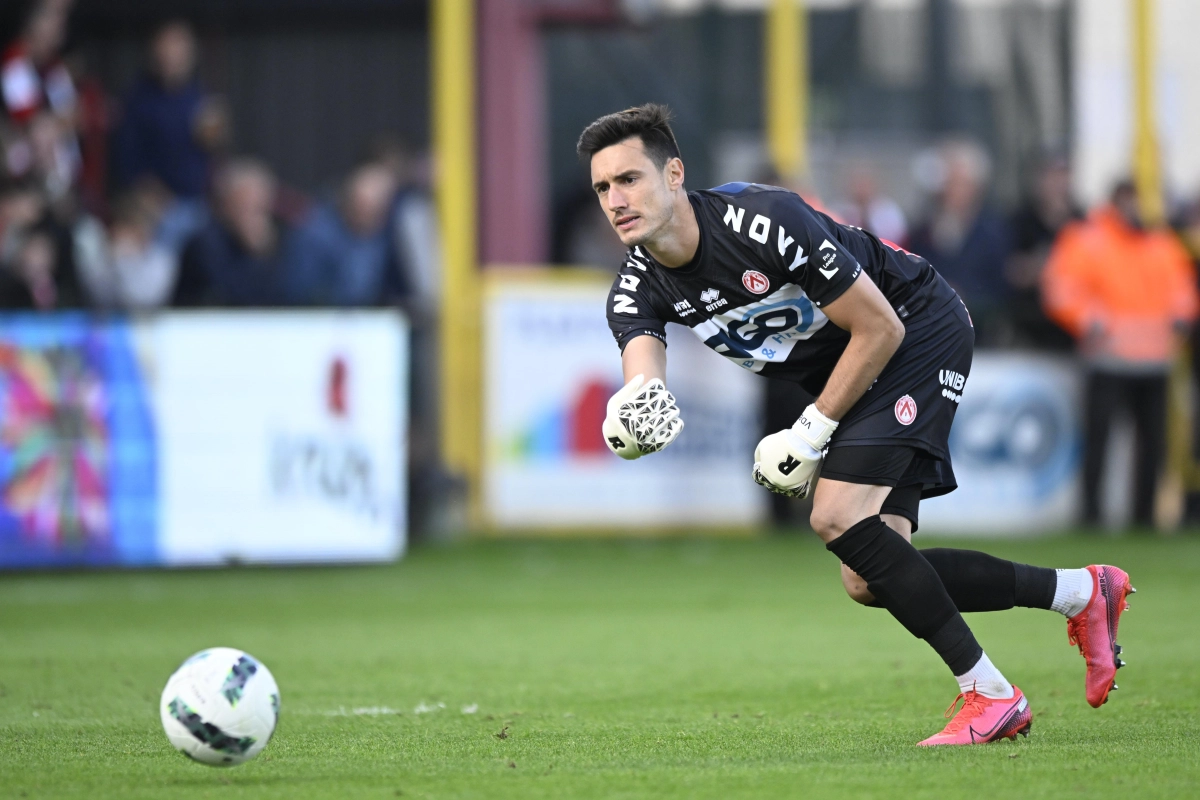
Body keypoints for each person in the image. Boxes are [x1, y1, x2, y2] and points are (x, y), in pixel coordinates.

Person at [579, 104, 1134, 746]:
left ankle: (991, 694)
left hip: (915, 329)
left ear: (674, 174)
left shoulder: (762, 221)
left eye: (629, 179)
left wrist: (810, 433)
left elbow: (880, 327)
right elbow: (642, 363)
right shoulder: (636, 281)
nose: (615, 199)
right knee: (868, 577)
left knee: (834, 515)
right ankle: (1082, 592)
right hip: (860, 366)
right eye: (602, 188)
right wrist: (639, 399)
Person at [1041, 180, 1199, 528]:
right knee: (1098, 441)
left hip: (1155, 363)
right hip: (1108, 359)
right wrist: (1091, 322)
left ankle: (1143, 517)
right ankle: (1091, 514)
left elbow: (1183, 293)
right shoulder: (1088, 239)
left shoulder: (1163, 243)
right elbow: (1061, 288)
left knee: (1152, 445)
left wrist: (1180, 320)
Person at [908, 140, 1011, 345]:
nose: (951, 190)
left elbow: (1000, 287)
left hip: (980, 339)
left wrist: (966, 296)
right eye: (948, 182)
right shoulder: (923, 231)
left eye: (959, 182)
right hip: (932, 337)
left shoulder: (993, 232)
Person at [173, 158, 288, 307]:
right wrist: (254, 252)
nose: (255, 215)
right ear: (227, 204)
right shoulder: (204, 243)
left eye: (260, 207)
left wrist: (264, 254)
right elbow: (230, 296)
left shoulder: (277, 241)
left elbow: (282, 296)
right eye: (246, 205)